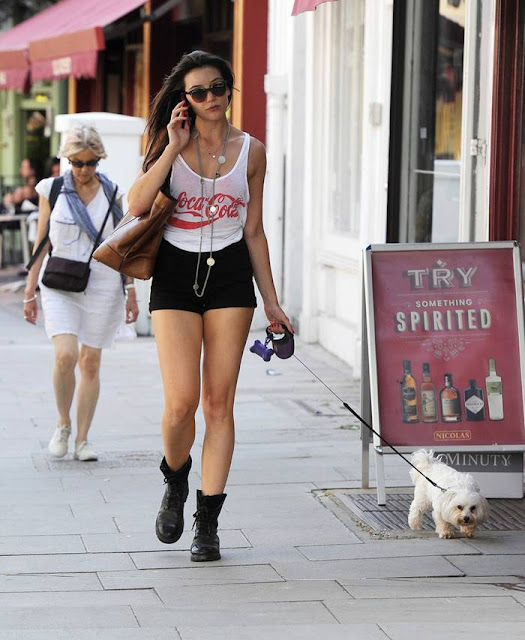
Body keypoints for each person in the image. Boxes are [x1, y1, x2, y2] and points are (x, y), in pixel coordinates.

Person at [127, 50, 294, 562]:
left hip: (231, 276)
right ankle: (176, 480)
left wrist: (273, 303)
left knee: (219, 405)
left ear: (229, 89)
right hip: (175, 275)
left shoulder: (254, 152)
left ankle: (208, 522)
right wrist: (171, 148)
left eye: (219, 87)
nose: (211, 98)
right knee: (181, 403)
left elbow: (255, 230)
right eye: (199, 92)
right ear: (186, 100)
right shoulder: (167, 144)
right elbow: (136, 205)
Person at [23, 125, 139, 461]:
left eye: (90, 163)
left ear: (99, 160)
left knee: (90, 361)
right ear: (67, 160)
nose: (83, 170)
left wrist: (130, 290)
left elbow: (121, 246)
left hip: (102, 283)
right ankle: (63, 423)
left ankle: (83, 439)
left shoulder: (113, 193)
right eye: (76, 163)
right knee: (65, 355)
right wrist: (30, 289)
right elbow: (41, 241)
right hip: (59, 283)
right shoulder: (53, 189)